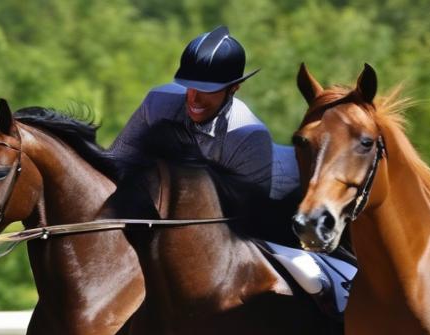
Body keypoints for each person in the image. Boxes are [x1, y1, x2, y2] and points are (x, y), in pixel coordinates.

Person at [109, 25, 299, 209]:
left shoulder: (249, 135)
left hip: (285, 191)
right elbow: (114, 164)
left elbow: (244, 220)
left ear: (233, 88)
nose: (193, 98)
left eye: (207, 90)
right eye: (190, 86)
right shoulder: (157, 103)